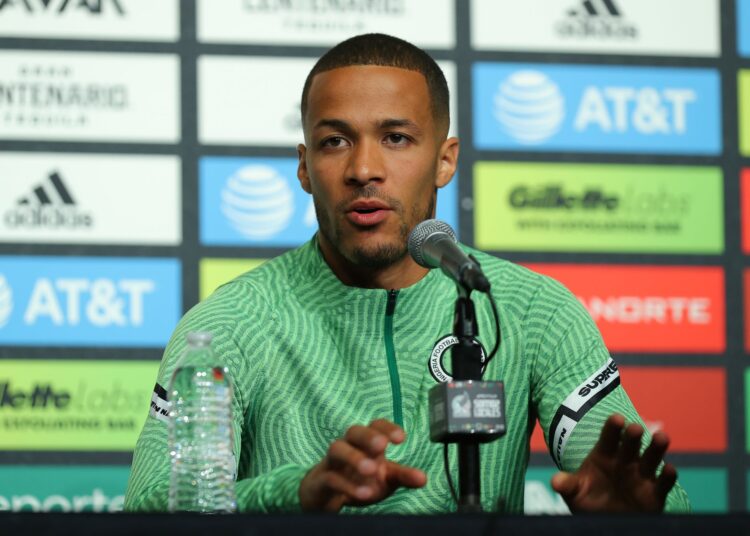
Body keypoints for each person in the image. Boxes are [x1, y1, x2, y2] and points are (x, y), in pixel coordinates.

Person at [124, 33, 690, 514]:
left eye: (396, 138)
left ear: (445, 159)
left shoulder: (527, 308)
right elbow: (151, 506)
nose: (364, 169)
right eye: (334, 141)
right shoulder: (232, 322)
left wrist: (642, 518)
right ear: (303, 167)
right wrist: (293, 491)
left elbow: (629, 483)